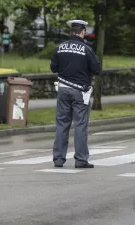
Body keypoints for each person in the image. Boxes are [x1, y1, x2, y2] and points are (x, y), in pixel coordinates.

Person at [50, 19, 101, 169]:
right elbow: (97, 70)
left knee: (62, 124)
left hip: (63, 89)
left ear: (71, 31)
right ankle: (80, 160)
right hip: (80, 91)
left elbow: (54, 68)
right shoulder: (87, 49)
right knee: (80, 125)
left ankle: (58, 159)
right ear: (83, 32)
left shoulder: (60, 48)